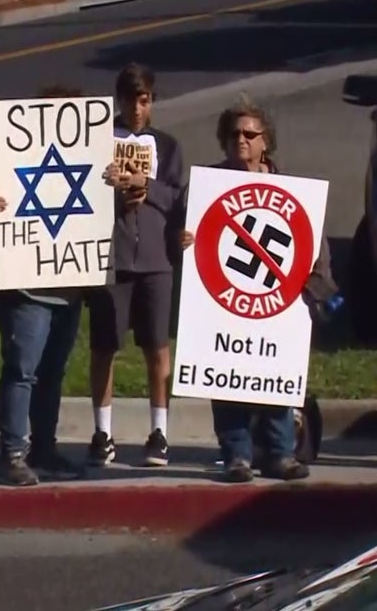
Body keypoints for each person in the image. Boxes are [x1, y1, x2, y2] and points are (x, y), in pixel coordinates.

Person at [176, 94, 329, 483]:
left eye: (249, 133)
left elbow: (314, 244)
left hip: (277, 301)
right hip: (223, 300)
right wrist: (182, 240)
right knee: (226, 376)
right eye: (232, 134)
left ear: (266, 141)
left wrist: (314, 282)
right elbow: (176, 237)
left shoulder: (292, 191)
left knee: (274, 374)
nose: (240, 140)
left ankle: (281, 454)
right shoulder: (203, 188)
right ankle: (236, 456)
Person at [0, 84, 86, 487]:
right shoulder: (1, 161)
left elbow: (102, 213)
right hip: (25, 288)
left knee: (54, 371)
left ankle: (44, 449)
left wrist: (115, 184)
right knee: (23, 369)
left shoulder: (91, 160)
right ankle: (12, 453)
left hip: (69, 281)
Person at [87, 63, 183, 467]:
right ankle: (102, 433)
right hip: (112, 258)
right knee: (104, 346)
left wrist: (148, 188)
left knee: (157, 346)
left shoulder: (168, 146)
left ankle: (159, 432)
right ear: (118, 101)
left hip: (156, 260)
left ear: (152, 102)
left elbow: (180, 197)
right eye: (129, 101)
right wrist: (108, 186)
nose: (136, 110)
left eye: (143, 101)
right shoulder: (98, 141)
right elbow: (80, 192)